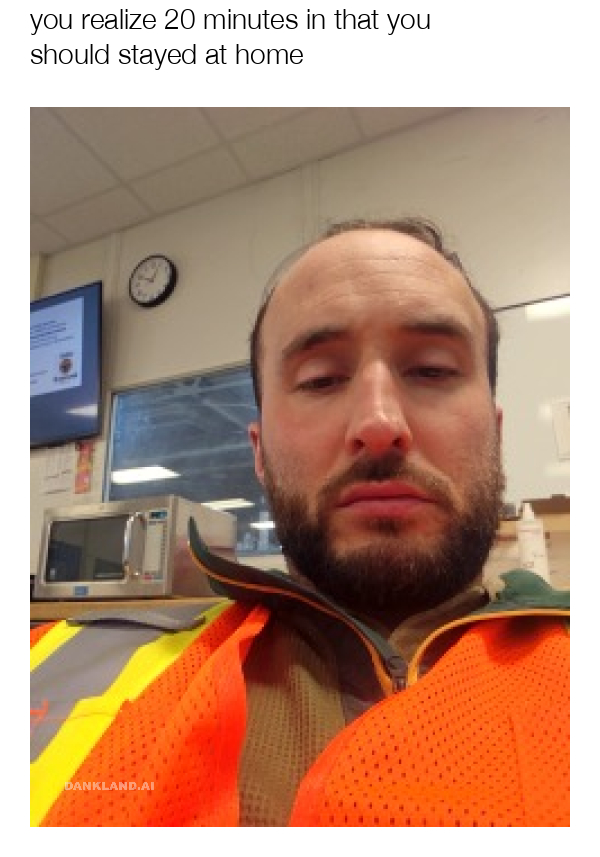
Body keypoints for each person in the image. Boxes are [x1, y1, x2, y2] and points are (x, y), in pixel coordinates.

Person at [30, 217, 570, 827]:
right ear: (259, 452)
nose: (379, 423)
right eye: (321, 379)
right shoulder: (50, 671)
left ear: (495, 433)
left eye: (432, 369)